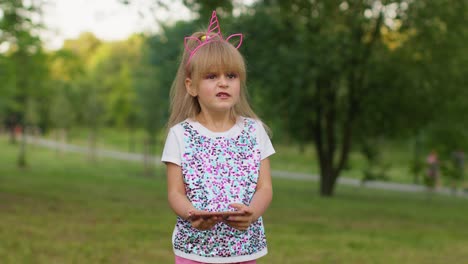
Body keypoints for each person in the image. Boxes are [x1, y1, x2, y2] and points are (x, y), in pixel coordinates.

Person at [161, 11, 275, 264]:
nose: (223, 83)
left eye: (231, 76)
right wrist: (191, 213)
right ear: (191, 86)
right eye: (212, 76)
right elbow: (175, 193)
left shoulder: (255, 131)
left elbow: (265, 187)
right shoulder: (180, 135)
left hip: (244, 249)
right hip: (195, 250)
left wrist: (252, 213)